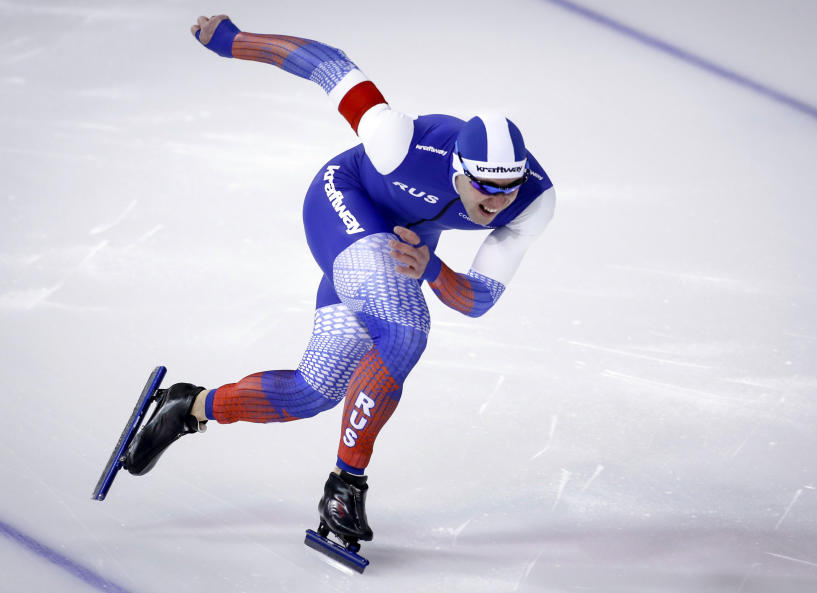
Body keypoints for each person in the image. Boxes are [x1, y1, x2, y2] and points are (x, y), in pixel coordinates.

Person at [124, 14, 556, 547]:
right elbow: (327, 65)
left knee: (315, 392)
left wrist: (434, 269)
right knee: (404, 329)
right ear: (458, 170)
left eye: (509, 189)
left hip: (402, 247)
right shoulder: (398, 140)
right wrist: (234, 41)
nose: (497, 203)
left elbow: (478, 300)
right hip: (343, 201)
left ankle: (187, 406)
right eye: (486, 188)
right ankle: (346, 485)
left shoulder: (535, 202)